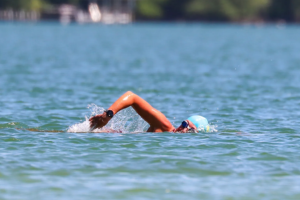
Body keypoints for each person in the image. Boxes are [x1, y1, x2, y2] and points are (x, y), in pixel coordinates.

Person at [89, 91, 209, 133]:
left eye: (188, 128)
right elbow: (131, 97)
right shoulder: (165, 126)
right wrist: (108, 114)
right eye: (184, 123)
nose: (183, 128)